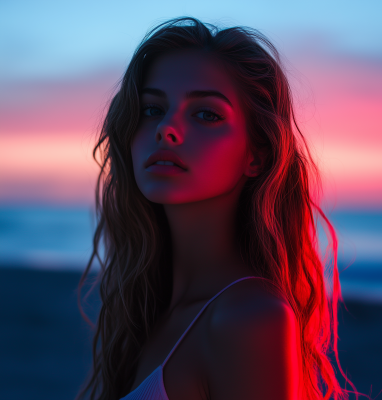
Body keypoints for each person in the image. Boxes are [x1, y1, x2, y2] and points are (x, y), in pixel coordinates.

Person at [76, 17, 360, 400]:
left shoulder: (251, 318)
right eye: (151, 109)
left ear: (256, 155)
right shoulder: (150, 309)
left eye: (206, 114)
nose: (166, 128)